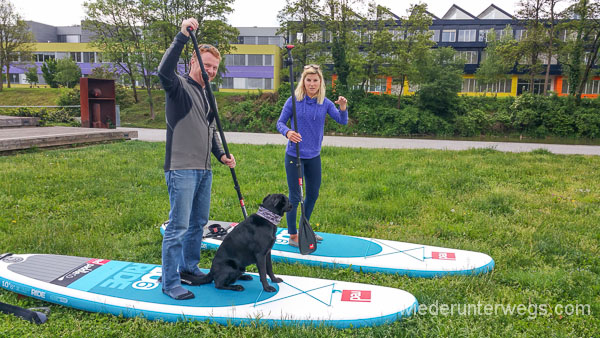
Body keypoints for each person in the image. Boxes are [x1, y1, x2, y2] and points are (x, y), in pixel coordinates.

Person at [157, 18, 236, 300]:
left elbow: (211, 130)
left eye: (215, 67)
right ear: (193, 62)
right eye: (206, 65)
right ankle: (170, 282)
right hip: (181, 168)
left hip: (203, 170)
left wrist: (221, 154)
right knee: (177, 227)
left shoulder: (208, 94)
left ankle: (189, 269)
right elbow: (162, 70)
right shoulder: (177, 86)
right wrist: (180, 36)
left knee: (197, 224)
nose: (210, 71)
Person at [276, 64, 348, 247]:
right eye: (308, 80)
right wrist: (287, 133)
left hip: (313, 156)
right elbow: (280, 123)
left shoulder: (325, 103)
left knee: (313, 193)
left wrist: (343, 107)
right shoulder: (293, 100)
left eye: (315, 80)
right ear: (304, 81)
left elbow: (342, 121)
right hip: (294, 155)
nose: (312, 83)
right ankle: (293, 235)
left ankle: (305, 228)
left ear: (320, 82)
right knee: (294, 196)